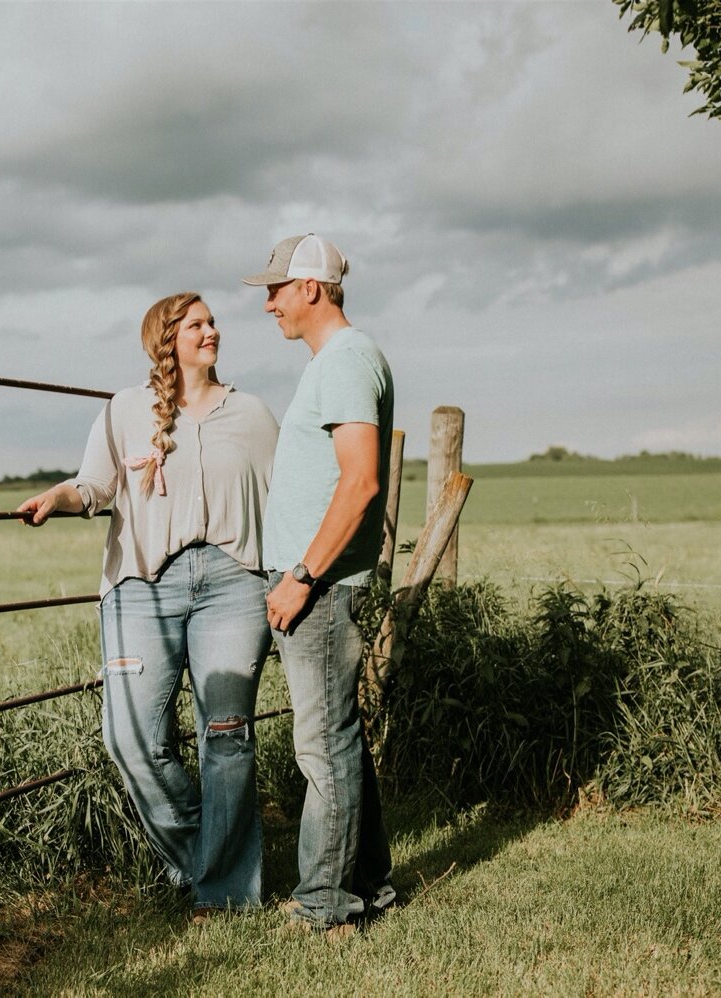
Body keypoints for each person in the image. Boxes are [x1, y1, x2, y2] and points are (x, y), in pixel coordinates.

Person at [17, 292, 278, 919]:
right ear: (166, 338)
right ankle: (208, 863)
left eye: (212, 322)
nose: (212, 330)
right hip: (141, 582)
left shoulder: (253, 414)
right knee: (130, 738)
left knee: (227, 737)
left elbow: (283, 498)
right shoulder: (124, 410)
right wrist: (58, 498)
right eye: (196, 324)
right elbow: (95, 485)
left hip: (234, 582)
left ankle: (225, 895)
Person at [241, 233, 396, 936]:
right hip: (322, 582)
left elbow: (361, 482)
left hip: (322, 587)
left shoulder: (345, 360)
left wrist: (302, 575)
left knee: (321, 747)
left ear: (311, 288)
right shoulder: (339, 361)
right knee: (339, 742)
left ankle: (326, 907)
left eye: (276, 288)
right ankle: (368, 886)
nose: (268, 302)